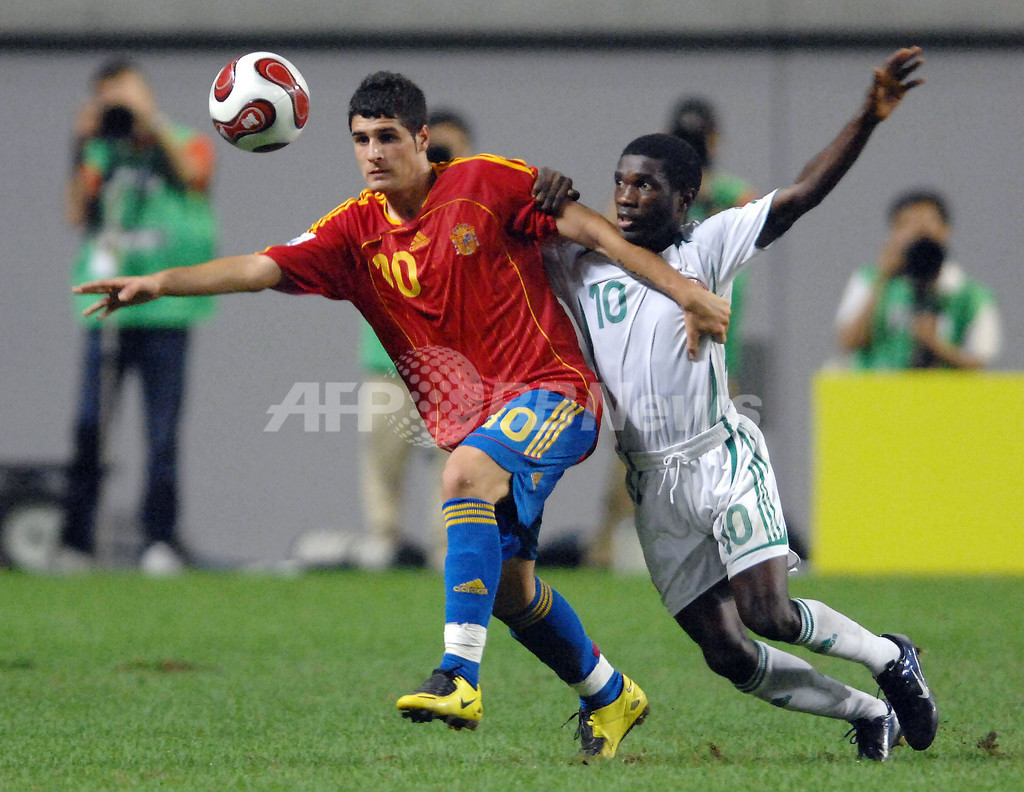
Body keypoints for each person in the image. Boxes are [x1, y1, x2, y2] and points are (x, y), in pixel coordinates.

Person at [72, 70, 730, 760]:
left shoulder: (484, 183)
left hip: (554, 393)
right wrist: (156, 283)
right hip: (480, 424)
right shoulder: (352, 232)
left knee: (464, 474)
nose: (373, 152)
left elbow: (594, 231)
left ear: (422, 139)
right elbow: (259, 268)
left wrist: (683, 291)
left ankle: (458, 675)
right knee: (510, 591)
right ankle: (609, 693)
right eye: (361, 140)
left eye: (388, 137)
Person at [538, 47, 937, 762]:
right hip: (649, 484)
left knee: (769, 613)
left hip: (719, 458)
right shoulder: (582, 258)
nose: (627, 197)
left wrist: (866, 118)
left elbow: (803, 192)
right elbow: (509, 224)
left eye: (647, 186)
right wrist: (541, 193)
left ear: (685, 200)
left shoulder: (708, 246)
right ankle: (865, 712)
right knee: (725, 651)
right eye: (621, 182)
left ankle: (889, 655)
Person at [587, 96, 758, 569]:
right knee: (631, 463)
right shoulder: (644, 193)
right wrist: (658, 192)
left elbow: (748, 218)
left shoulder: (730, 195)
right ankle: (605, 552)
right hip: (646, 358)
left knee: (722, 466)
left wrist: (696, 195)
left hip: (713, 360)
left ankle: (732, 558)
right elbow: (607, 236)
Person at [61, 58, 217, 573]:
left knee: (162, 433)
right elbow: (77, 215)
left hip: (166, 310)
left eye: (126, 93)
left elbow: (195, 176)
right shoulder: (99, 148)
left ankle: (160, 540)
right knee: (89, 427)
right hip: (106, 311)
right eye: (109, 96)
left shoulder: (183, 140)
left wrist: (149, 125)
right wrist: (81, 146)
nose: (119, 105)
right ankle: (76, 542)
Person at [354, 109, 474, 571]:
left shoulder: (471, 206)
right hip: (388, 357)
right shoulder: (386, 202)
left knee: (456, 462)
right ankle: (382, 541)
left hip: (455, 363)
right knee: (383, 455)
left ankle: (449, 547)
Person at [834, 188, 1001, 369]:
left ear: (945, 230)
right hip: (878, 394)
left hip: (941, 395)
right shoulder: (869, 279)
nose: (916, 233)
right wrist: (881, 278)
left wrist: (935, 344)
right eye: (906, 225)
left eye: (926, 224)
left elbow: (980, 361)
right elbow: (848, 342)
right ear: (893, 233)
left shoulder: (969, 294)